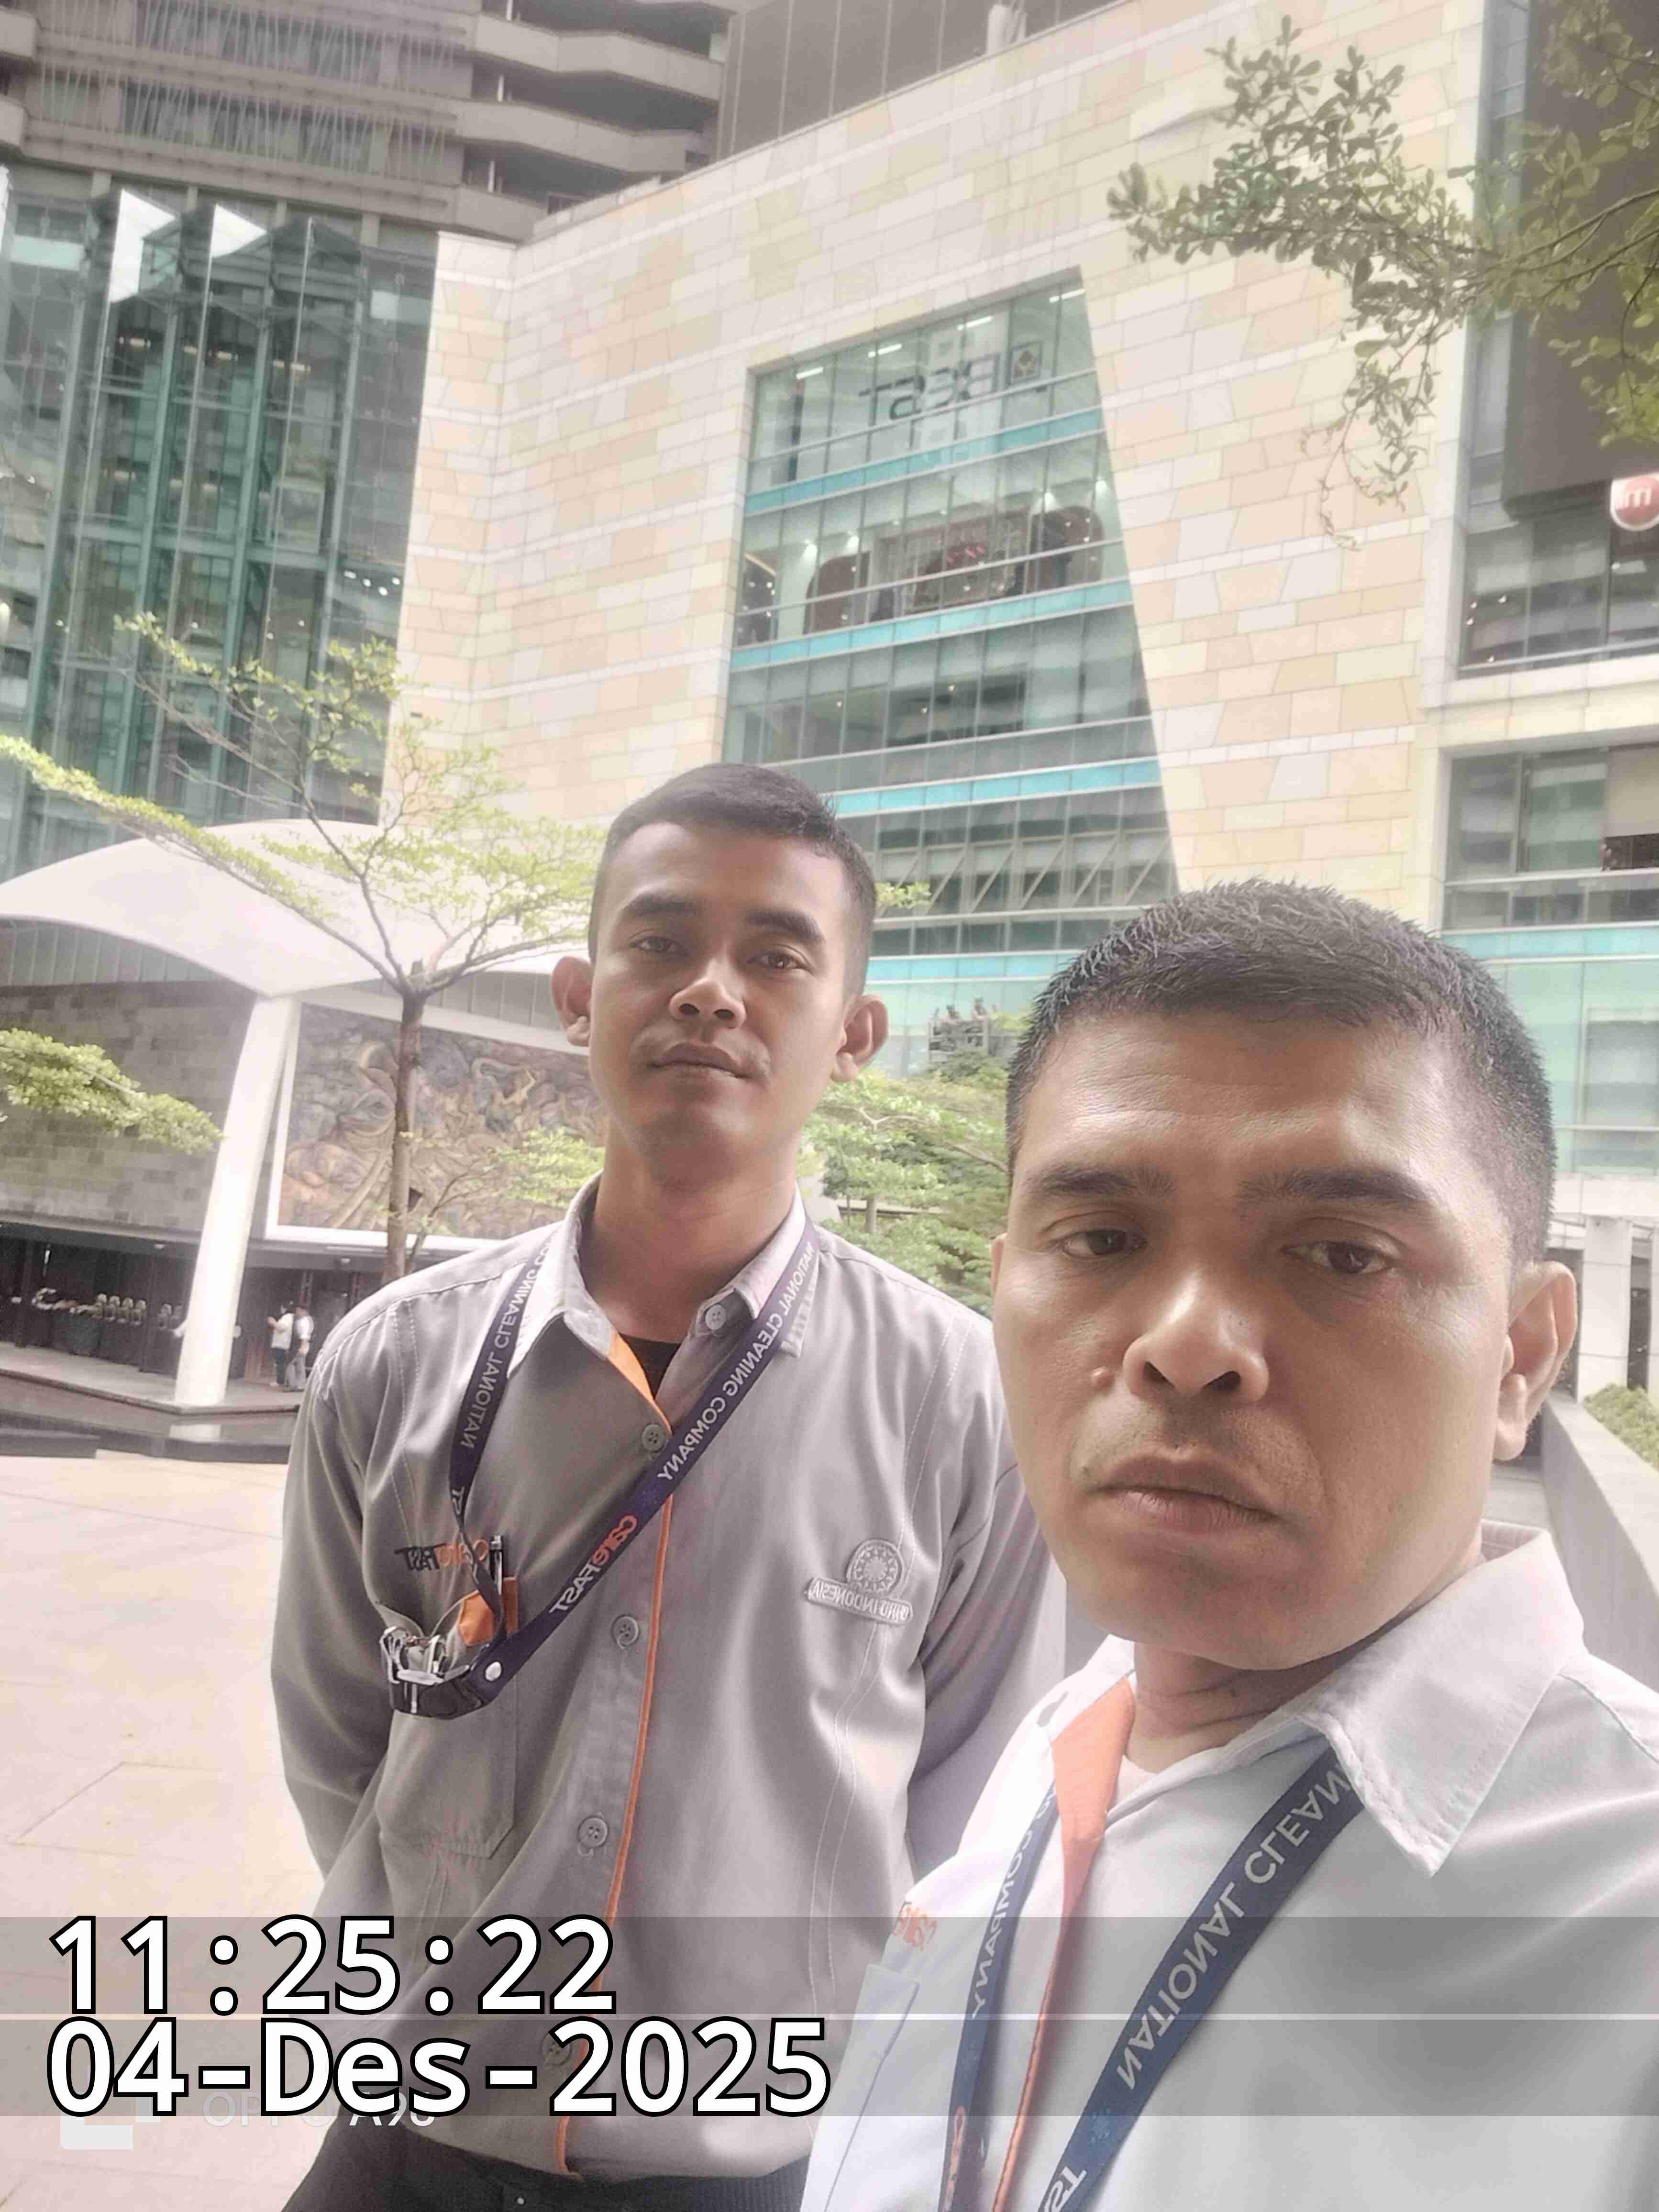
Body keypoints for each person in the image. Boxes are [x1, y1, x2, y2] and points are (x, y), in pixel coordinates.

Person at [273, 763, 1064, 2211]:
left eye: (776, 955)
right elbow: (339, 1740)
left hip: (762, 2170)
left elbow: (966, 1807)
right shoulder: (391, 1363)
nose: (710, 989)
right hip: (408, 2148)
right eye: (660, 941)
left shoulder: (964, 1400)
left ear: (855, 1033)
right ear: (581, 999)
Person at [805, 882, 1659, 2212]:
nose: (1187, 1343)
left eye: (1339, 1254)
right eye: (1100, 1239)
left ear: (1520, 1354)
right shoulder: (1064, 1741)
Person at [267, 1303, 295, 1387]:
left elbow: (282, 1328)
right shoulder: (291, 1317)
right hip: (283, 1344)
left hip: (281, 1344)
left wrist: (273, 1322)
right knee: (282, 1363)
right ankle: (284, 1381)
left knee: (280, 1363)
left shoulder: (288, 1317)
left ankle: (280, 1381)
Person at [288, 1302, 313, 1388]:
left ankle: (294, 1384)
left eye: (299, 1311)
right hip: (301, 1344)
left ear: (304, 1311)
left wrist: (302, 1347)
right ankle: (300, 1384)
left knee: (291, 1364)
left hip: (301, 1344)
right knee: (300, 1365)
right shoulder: (304, 1320)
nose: (297, 1313)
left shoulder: (305, 1321)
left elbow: (304, 1335)